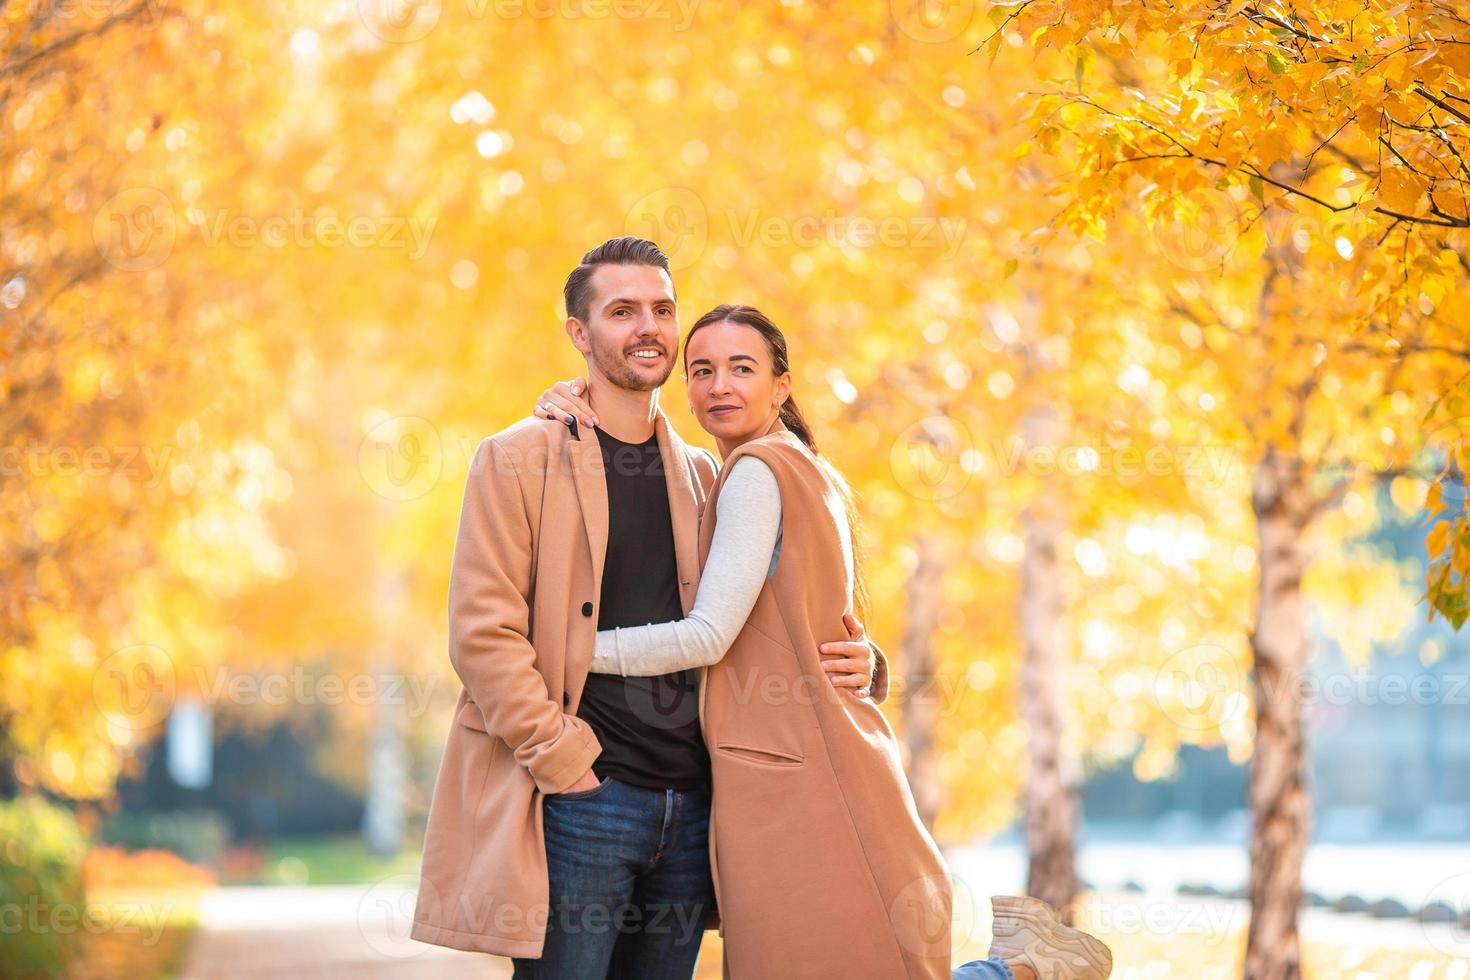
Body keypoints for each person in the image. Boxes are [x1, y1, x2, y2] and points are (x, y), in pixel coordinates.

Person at [532, 304, 1114, 979]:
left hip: (797, 782)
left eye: (741, 368)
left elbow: (710, 634)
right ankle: (1020, 966)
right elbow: (808, 621)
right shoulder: (801, 467)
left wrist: (570, 651)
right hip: (814, 762)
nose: (719, 385)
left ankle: (1020, 970)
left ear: (781, 384)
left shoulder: (756, 472)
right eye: (702, 370)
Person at [410, 238, 883, 979]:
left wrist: (867, 661)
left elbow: (764, 618)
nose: (648, 327)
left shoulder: (706, 474)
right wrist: (565, 760)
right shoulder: (517, 459)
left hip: (693, 807)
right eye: (622, 310)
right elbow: (482, 636)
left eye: (662, 309)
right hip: (582, 802)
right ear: (579, 333)